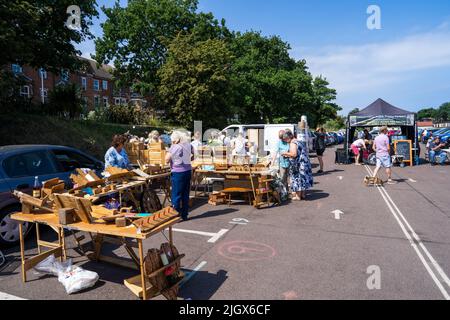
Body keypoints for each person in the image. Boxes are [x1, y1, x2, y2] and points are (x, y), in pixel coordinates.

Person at [166, 131, 193, 221]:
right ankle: (184, 215)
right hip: (187, 171)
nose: (172, 142)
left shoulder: (174, 147)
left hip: (178, 172)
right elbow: (193, 156)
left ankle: (176, 215)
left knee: (176, 194)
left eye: (173, 140)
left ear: (176, 139)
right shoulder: (189, 145)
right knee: (185, 194)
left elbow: (166, 159)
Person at [281, 131, 313, 201]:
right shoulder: (298, 141)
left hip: (298, 164)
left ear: (288, 138)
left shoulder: (292, 143)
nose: (286, 142)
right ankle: (303, 195)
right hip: (304, 163)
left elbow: (294, 154)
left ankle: (298, 196)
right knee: (303, 179)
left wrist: (285, 153)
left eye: (285, 140)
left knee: (297, 179)